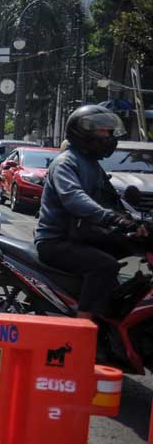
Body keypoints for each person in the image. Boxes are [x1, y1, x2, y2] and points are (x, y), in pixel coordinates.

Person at [36, 105, 140, 319]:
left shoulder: (92, 164)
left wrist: (135, 221)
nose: (108, 136)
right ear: (83, 132)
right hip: (57, 241)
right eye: (102, 131)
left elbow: (110, 199)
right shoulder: (66, 163)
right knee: (105, 266)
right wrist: (110, 217)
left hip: (83, 235)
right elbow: (74, 198)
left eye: (110, 132)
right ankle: (83, 327)